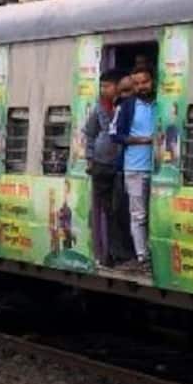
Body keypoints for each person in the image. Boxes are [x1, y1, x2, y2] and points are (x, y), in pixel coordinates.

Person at [114, 68, 156, 267]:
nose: (141, 87)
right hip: (136, 168)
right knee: (139, 215)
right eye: (137, 84)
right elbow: (115, 134)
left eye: (145, 82)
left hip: (159, 169)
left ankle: (153, 252)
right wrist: (142, 140)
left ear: (152, 81)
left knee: (156, 213)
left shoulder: (161, 105)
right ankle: (142, 256)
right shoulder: (127, 107)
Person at [83, 73, 124, 265]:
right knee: (108, 209)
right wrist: (90, 158)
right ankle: (110, 253)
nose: (103, 90)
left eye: (107, 86)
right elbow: (90, 134)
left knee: (120, 208)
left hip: (122, 162)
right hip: (101, 163)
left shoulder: (125, 105)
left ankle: (122, 251)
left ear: (118, 86)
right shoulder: (99, 108)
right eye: (102, 86)